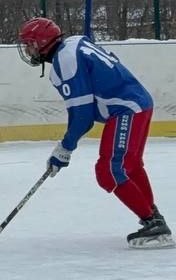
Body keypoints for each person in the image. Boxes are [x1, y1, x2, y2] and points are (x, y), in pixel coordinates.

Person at [18, 17, 172, 248]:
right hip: (137, 103)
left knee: (108, 170)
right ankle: (152, 217)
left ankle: (153, 223)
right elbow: (79, 110)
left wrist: (64, 149)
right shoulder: (74, 44)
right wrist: (65, 146)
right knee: (130, 166)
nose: (28, 50)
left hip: (126, 108)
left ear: (42, 42)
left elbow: (83, 118)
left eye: (30, 44)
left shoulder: (65, 61)